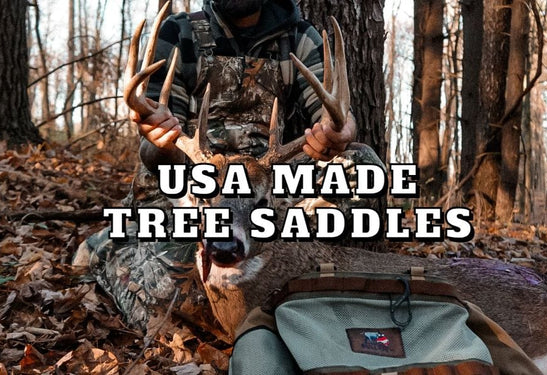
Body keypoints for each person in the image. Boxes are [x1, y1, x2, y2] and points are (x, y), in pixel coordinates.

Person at [74, 0, 384, 330]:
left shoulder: (300, 39)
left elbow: (334, 117)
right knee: (172, 312)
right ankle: (106, 249)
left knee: (361, 167)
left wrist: (338, 131)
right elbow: (154, 153)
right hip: (191, 188)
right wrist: (158, 137)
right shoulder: (178, 33)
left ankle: (283, 263)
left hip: (267, 190)